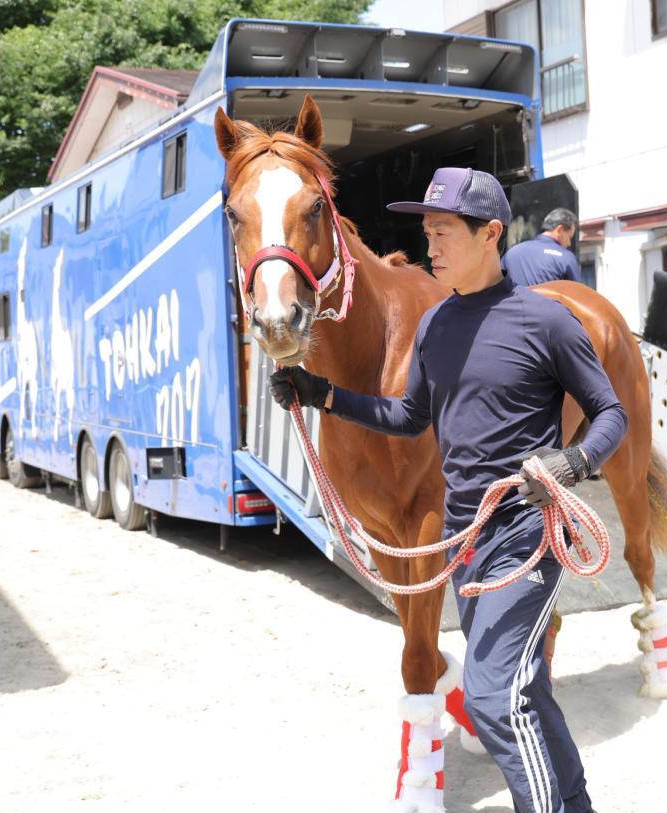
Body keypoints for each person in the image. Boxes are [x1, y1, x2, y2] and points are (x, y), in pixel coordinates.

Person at [268, 167, 627, 813]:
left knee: (492, 696)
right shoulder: (438, 326)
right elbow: (409, 417)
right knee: (528, 689)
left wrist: (571, 464)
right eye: (426, 231)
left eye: (442, 232)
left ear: (490, 233)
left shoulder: (546, 320)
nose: (429, 245)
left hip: (527, 532)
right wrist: (323, 396)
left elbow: (610, 413)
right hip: (469, 542)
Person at [504, 207, 582, 287]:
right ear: (559, 230)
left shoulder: (511, 253)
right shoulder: (566, 258)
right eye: (569, 237)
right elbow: (578, 295)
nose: (569, 243)